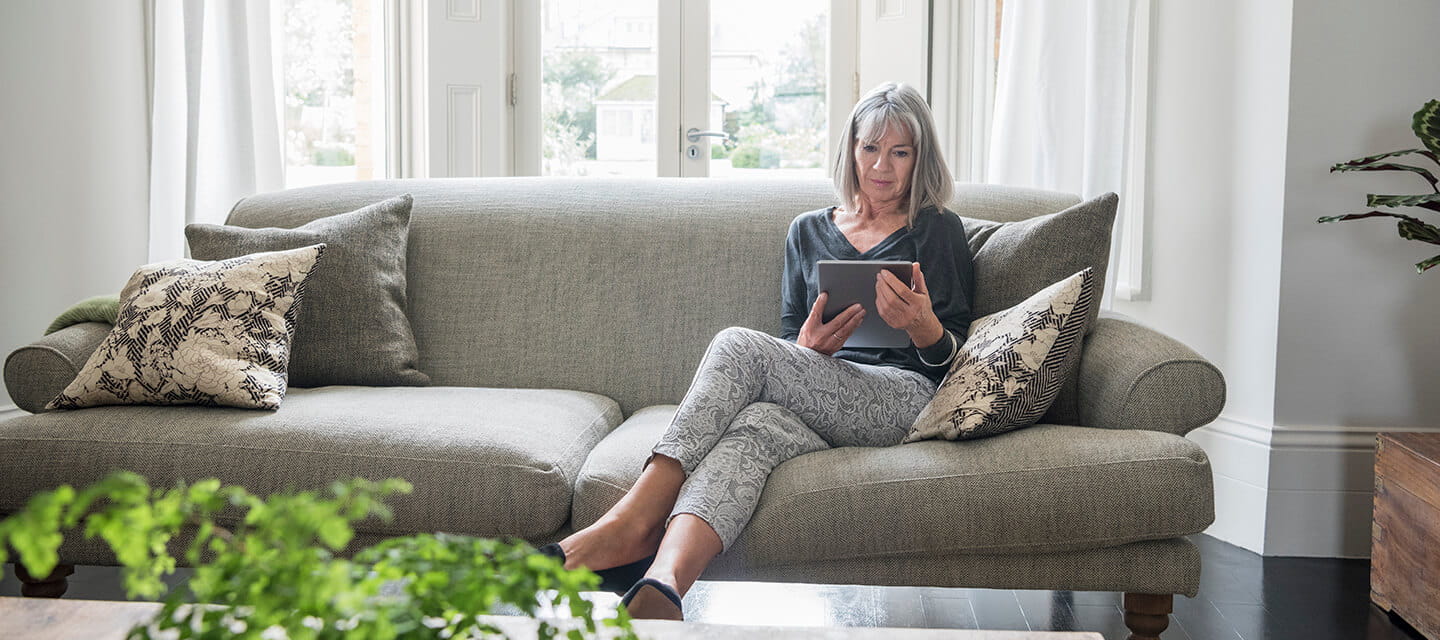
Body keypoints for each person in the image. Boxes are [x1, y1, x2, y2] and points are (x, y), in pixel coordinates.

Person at [539, 82, 976, 620]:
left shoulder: (936, 230)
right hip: (816, 396)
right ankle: (663, 583)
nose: (881, 166)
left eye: (899, 152)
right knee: (756, 429)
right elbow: (791, 341)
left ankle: (634, 519)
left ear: (919, 159)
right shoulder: (807, 231)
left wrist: (924, 327)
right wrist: (808, 347)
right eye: (870, 148)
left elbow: (953, 357)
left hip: (900, 400)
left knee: (737, 346)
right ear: (851, 150)